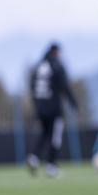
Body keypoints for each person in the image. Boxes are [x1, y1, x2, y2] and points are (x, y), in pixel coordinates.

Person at [26, 42, 78, 177]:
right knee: (55, 136)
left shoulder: (38, 67)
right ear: (55, 52)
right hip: (54, 109)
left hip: (40, 108)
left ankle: (34, 158)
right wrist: (74, 103)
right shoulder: (56, 66)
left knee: (44, 134)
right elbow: (64, 86)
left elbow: (32, 87)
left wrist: (37, 105)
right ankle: (51, 165)